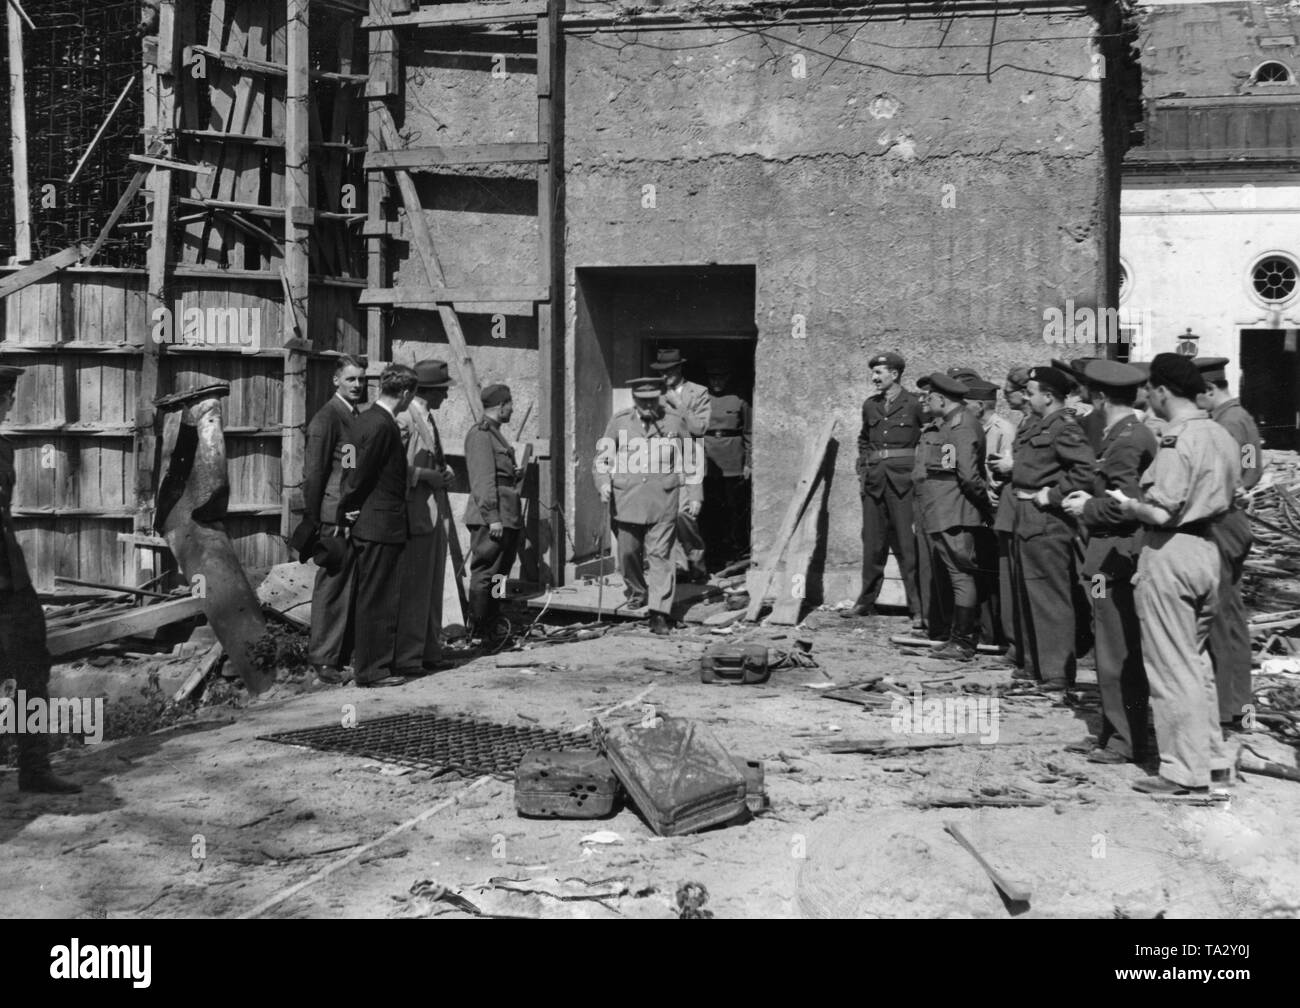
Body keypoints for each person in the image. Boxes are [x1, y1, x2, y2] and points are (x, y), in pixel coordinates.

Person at [1109, 353, 1240, 796]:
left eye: (1150, 390)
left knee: (1170, 668)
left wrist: (1129, 506)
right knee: (1196, 665)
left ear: (1163, 391)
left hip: (1172, 550)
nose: (1148, 397)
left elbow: (1163, 510)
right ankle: (1214, 765)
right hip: (1208, 551)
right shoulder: (1219, 432)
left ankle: (1183, 772)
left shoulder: (1176, 439)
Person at [1061, 360, 1157, 765]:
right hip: (1106, 558)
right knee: (1108, 646)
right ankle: (1111, 731)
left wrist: (1088, 506)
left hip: (1114, 559)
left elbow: (1127, 507)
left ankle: (1125, 740)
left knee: (1116, 650)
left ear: (1100, 397)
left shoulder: (1125, 442)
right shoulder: (1123, 434)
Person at [0, 365, 81, 794]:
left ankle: (34, 768)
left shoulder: (5, 449)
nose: (10, 400)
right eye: (4, 393)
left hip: (11, 581)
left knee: (32, 669)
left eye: (10, 392)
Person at [1007, 366, 1095, 690]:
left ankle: (1057, 672)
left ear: (1048, 396)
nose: (1026, 397)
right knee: (1028, 592)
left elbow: (1085, 472)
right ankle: (1035, 666)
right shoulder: (1036, 424)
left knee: (1050, 595)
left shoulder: (1064, 427)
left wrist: (1053, 495)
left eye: (1030, 392)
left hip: (1047, 518)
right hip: (1024, 513)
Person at [593, 377, 703, 635]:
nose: (647, 405)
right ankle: (637, 590)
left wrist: (695, 494)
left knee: (660, 555)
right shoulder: (620, 422)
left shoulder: (674, 421)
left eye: (652, 400)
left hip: (663, 499)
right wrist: (602, 483)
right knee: (628, 552)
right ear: (634, 400)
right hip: (626, 499)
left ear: (660, 398)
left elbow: (690, 459)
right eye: (642, 401)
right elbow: (602, 458)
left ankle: (659, 612)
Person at [337, 364, 418, 687]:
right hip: (379, 524)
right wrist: (347, 509)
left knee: (373, 595)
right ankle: (373, 671)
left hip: (370, 522)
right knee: (378, 598)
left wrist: (348, 510)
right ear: (406, 393)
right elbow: (359, 475)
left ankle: (373, 666)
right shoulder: (383, 425)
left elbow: (349, 466)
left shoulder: (364, 420)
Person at [1196, 357, 1262, 730]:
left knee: (1220, 616)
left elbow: (1234, 473)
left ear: (1209, 390)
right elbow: (1251, 468)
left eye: (1197, 395)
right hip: (1235, 523)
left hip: (1222, 523)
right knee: (1232, 617)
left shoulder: (1228, 422)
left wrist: (1237, 491)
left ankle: (1228, 706)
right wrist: (1245, 488)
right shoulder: (1241, 417)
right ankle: (1239, 703)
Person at [912, 374, 992, 660]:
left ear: (941, 399)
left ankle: (964, 641)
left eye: (928, 396)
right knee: (954, 576)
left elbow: (969, 477)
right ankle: (957, 637)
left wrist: (985, 507)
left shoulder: (962, 425)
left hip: (956, 512)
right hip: (940, 511)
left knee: (961, 576)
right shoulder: (947, 424)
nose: (924, 400)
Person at [302, 354, 366, 684]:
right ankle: (323, 659)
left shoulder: (354, 415)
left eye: (361, 379)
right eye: (351, 379)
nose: (358, 385)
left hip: (351, 514)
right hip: (334, 516)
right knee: (332, 586)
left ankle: (342, 654)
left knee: (350, 585)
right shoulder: (327, 418)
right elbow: (315, 474)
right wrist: (318, 517)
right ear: (336, 380)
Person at [852, 351, 925, 626]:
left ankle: (918, 608)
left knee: (908, 547)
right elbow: (863, 439)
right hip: (875, 483)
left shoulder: (915, 403)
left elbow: (930, 436)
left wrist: (920, 473)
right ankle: (865, 602)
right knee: (873, 545)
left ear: (894, 374)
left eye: (879, 373)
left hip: (903, 483)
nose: (874, 378)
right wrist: (863, 469)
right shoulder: (870, 405)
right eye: (873, 373)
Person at [394, 360, 457, 676]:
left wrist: (442, 471)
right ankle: (408, 656)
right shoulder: (404, 419)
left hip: (434, 512)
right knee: (416, 588)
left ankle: (430, 651)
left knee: (432, 586)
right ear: (429, 390)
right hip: (416, 513)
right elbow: (395, 469)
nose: (446, 396)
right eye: (443, 390)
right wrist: (428, 476)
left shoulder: (427, 417)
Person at [463, 384, 523, 642]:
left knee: (500, 574)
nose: (513, 409)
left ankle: (493, 623)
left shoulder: (496, 434)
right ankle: (478, 629)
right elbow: (482, 480)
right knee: (485, 574)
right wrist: (493, 517)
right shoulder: (481, 434)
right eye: (510, 404)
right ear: (501, 406)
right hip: (493, 518)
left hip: (507, 516)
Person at [651, 348, 711, 582]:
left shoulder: (698, 393)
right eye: (662, 372)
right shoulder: (655, 395)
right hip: (663, 463)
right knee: (666, 516)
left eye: (669, 371)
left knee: (683, 515)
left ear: (679, 368)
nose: (665, 376)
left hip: (689, 462)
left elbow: (699, 428)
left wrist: (679, 405)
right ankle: (680, 568)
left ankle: (696, 560)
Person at [967, 378, 1016, 650]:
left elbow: (1005, 472)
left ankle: (1000, 634)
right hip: (981, 506)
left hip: (996, 508)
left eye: (967, 404)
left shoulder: (1003, 430)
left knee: (998, 573)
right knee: (982, 570)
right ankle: (987, 632)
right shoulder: (974, 428)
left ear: (979, 405)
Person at [989, 366, 1030, 668]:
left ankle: (1026, 650)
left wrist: (1010, 467)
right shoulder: (1026, 422)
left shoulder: (1040, 424)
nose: (1005, 396)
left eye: (1009, 391)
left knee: (1026, 586)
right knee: (1010, 583)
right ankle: (1016, 646)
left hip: (1027, 514)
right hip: (1011, 510)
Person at [700, 360, 752, 566]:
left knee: (732, 508)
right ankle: (711, 553)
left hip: (732, 460)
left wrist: (749, 461)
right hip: (707, 459)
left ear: (728, 377)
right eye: (713, 377)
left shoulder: (739, 400)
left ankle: (733, 553)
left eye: (721, 377)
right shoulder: (702, 399)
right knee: (708, 509)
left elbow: (749, 431)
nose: (717, 381)